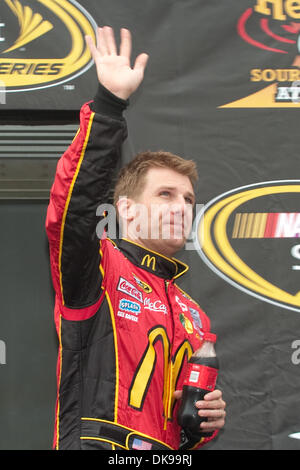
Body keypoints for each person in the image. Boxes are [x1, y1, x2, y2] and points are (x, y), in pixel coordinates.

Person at [46, 26, 226, 451]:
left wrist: (205, 422)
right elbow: (73, 210)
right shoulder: (98, 266)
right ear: (125, 209)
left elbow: (185, 423)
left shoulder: (194, 315)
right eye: (165, 194)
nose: (181, 206)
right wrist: (109, 107)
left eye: (188, 199)